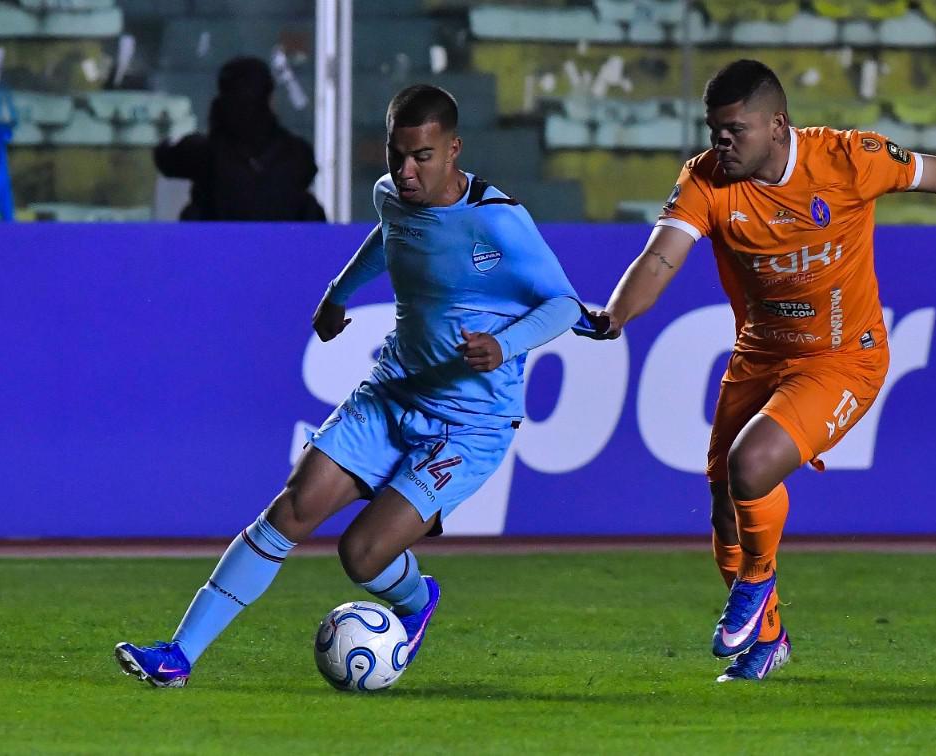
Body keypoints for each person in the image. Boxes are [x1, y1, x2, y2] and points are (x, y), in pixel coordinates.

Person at [575, 59, 936, 683]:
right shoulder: (704, 180)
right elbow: (660, 258)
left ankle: (756, 583)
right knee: (726, 508)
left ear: (777, 124)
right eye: (713, 130)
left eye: (735, 129)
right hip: (759, 358)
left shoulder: (847, 158)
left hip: (844, 358)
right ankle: (771, 637)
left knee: (750, 465)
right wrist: (615, 315)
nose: (720, 142)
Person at [116, 84, 586, 687]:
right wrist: (340, 291)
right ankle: (177, 656)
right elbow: (389, 238)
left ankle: (417, 601)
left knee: (361, 554)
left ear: (454, 150)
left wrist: (504, 345)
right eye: (397, 155)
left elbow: (564, 304)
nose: (407, 171)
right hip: (392, 392)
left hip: (470, 426)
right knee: (294, 506)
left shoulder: (499, 221)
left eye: (422, 156)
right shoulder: (391, 196)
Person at [154, 56, 326, 221]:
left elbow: (166, 157)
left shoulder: (206, 155)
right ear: (270, 99)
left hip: (217, 248)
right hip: (284, 249)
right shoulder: (297, 153)